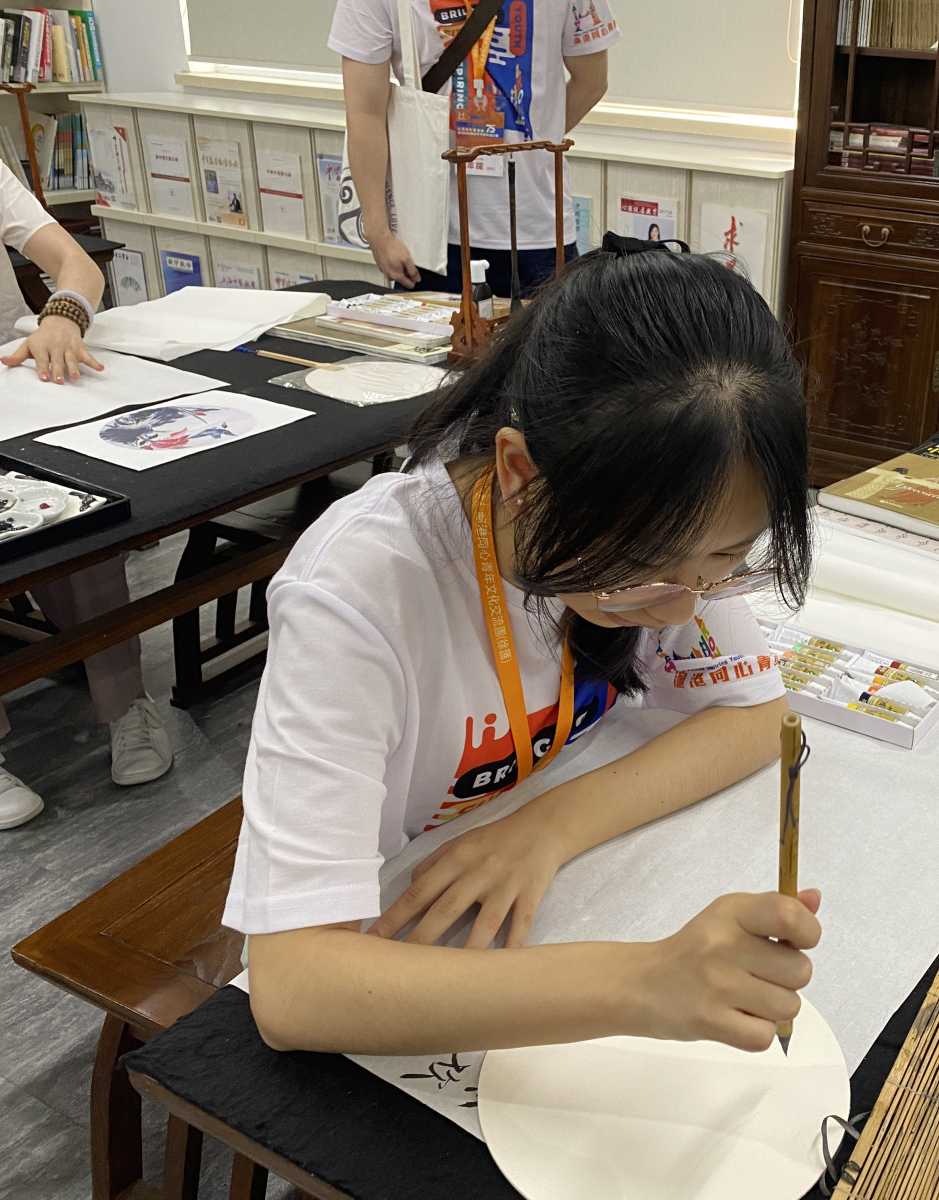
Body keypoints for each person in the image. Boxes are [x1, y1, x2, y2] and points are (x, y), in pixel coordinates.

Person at [226, 241, 822, 1056]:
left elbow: (756, 718)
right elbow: (295, 988)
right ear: (518, 473)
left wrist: (551, 826)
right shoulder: (358, 588)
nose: (683, 606)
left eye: (725, 560)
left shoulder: (675, 520)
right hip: (396, 930)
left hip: (516, 846)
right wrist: (645, 984)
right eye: (644, 571)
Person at [0, 56, 172, 829]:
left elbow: (71, 263)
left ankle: (126, 702)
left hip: (3, 384)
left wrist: (62, 314)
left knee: (86, 519)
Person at [331, 0, 618, 297]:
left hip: (537, 224)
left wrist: (531, 144)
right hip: (429, 230)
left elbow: (592, 81)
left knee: (545, 328)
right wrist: (378, 232)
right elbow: (365, 113)